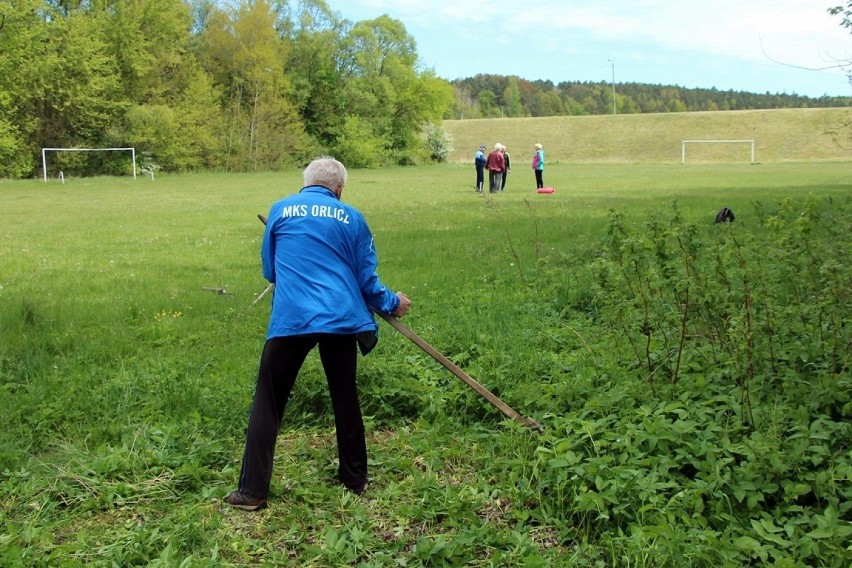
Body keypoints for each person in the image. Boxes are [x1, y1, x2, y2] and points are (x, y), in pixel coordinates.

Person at [225, 157, 411, 511]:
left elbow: (270, 270)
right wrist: (393, 302)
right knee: (345, 398)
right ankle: (354, 480)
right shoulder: (353, 218)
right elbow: (367, 282)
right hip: (341, 319)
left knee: (268, 402)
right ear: (340, 189)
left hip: (291, 319)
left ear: (305, 182)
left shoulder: (280, 210)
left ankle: (251, 492)